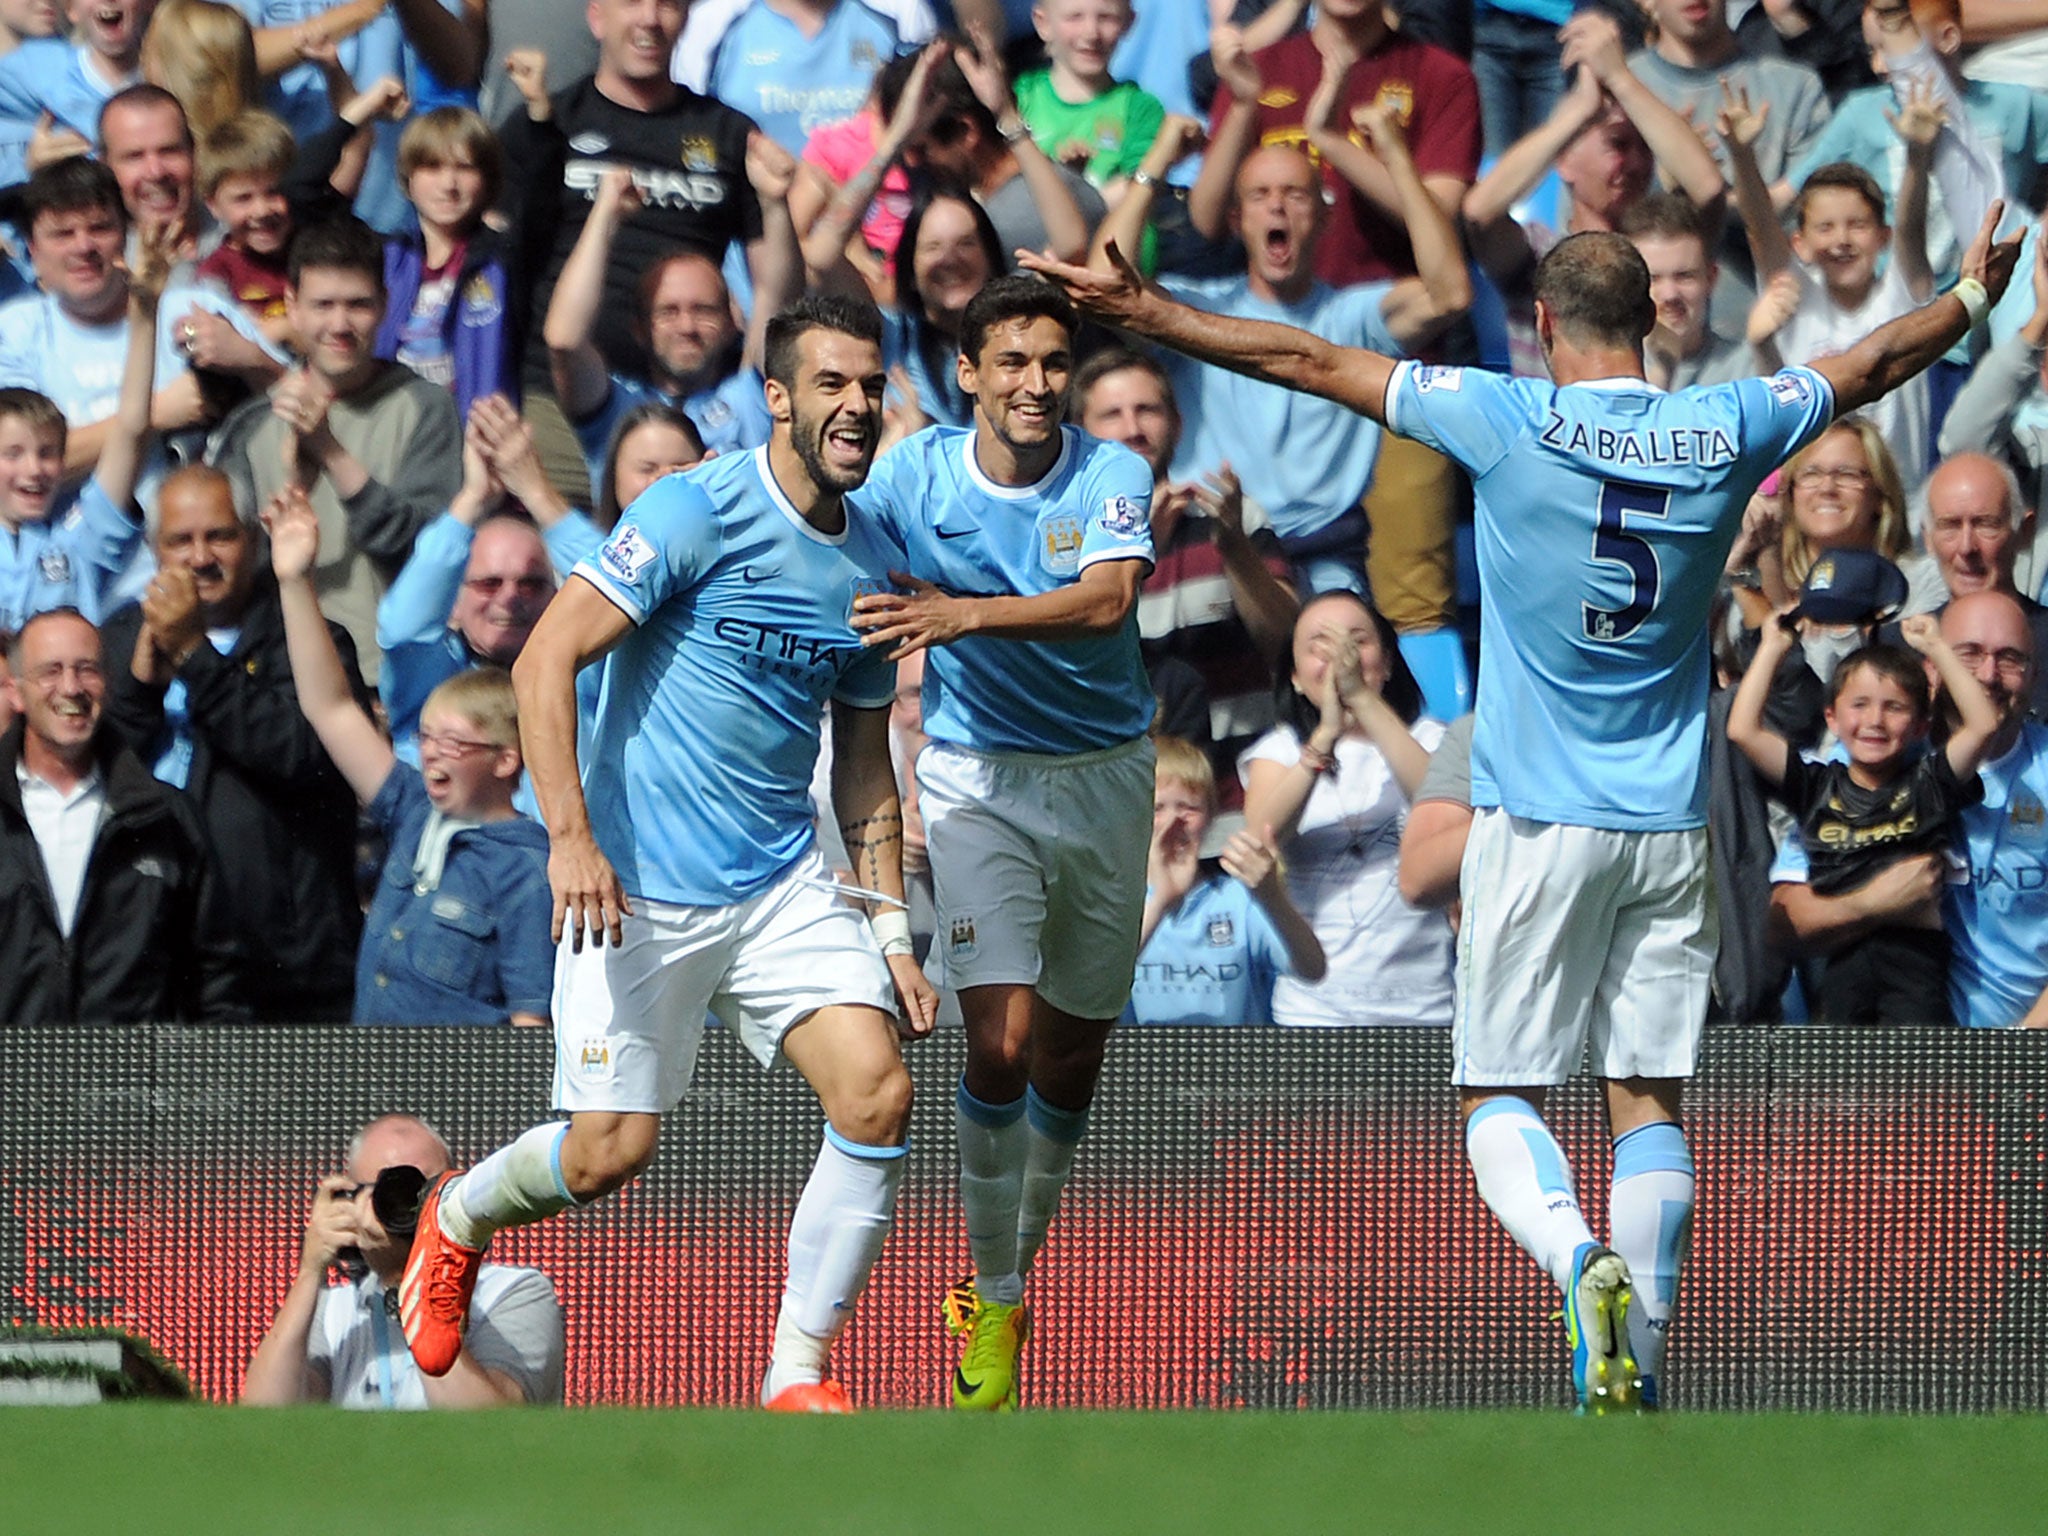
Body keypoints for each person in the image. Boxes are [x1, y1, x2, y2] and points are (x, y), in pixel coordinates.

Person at [1019, 200, 2022, 1410]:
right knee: (1645, 1099)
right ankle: (1634, 1376)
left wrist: (1146, 312)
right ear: (1651, 321)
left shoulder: (1503, 414)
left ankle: (1574, 1256)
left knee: (1498, 1091)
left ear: (1539, 327)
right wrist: (1970, 295)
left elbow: (1304, 356)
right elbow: (1868, 362)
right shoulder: (1727, 419)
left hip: (1533, 818)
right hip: (1668, 828)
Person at [395, 296, 939, 1414]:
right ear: (776, 397)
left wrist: (890, 929)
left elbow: (863, 761)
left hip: (782, 880)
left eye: (868, 386)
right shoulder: (695, 508)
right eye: (829, 385)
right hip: (633, 881)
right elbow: (545, 660)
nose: (854, 406)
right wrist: (569, 840)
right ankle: (457, 1214)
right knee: (606, 1154)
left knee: (877, 1093)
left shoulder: (878, 556)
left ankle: (795, 1376)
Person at [846, 273, 1155, 1412]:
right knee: (1000, 1041)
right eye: (1010, 362)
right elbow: (828, 527)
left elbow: (1106, 601)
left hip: (1105, 782)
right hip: (976, 779)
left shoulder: (1112, 470)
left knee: (1070, 1058)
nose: (1035, 384)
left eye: (1051, 363)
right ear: (966, 372)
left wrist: (959, 614)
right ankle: (997, 1289)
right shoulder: (912, 471)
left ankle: (1010, 1269)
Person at [1094, 111, 1468, 602]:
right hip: (1212, 545)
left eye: (1295, 195)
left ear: (1324, 216)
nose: (1278, 209)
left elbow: (1450, 295)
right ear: (1237, 220)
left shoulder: (1351, 317)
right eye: (1260, 196)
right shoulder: (1195, 310)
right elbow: (1101, 287)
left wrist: (1397, 158)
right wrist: (1158, 160)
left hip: (1324, 556)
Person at [270, 484, 555, 1027]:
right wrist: (294, 581)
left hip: (462, 1097)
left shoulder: (527, 872)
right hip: (375, 1086)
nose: (431, 756)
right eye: (425, 739)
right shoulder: (413, 810)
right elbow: (330, 708)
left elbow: (531, 1023)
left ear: (505, 760)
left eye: (453, 744)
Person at [99, 463, 366, 1021]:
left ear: (252, 540)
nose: (201, 557)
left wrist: (195, 658)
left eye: (220, 535)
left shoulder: (312, 638)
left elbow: (306, 757)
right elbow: (94, 769)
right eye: (181, 541)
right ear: (154, 550)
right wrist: (143, 686)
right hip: (152, 953)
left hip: (285, 969)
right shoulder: (117, 642)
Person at [1772, 590, 2048, 1029]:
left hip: (2028, 1045)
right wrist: (1874, 903)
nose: (1990, 674)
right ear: (1932, 668)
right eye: (1970, 655)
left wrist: (2022, 1051)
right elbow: (1785, 922)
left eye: (2010, 658)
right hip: (1900, 1040)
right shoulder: (1863, 765)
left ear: (2033, 675)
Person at [209, 215, 464, 685]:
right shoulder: (254, 426)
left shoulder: (425, 409)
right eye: (323, 305)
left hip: (386, 679)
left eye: (358, 305)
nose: (340, 324)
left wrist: (329, 450)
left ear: (386, 306)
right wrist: (293, 483)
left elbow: (426, 555)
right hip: (280, 681)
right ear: (292, 306)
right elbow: (239, 572)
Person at [1730, 611, 1997, 1023]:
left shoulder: (1930, 782)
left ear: (1921, 724)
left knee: (1915, 1082)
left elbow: (1983, 725)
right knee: (1842, 1079)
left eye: (1894, 708)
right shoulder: (1815, 785)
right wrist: (1771, 648)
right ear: (1832, 717)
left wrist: (1937, 648)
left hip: (1915, 962)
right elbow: (1743, 731)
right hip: (1843, 957)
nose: (1875, 720)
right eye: (1860, 705)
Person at [0, 605, 242, 1024]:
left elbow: (217, 979)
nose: (71, 687)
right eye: (51, 671)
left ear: (107, 685)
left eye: (87, 669)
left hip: (130, 1082)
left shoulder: (165, 818)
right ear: (17, 691)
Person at [1075, 346, 1297, 793]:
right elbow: (1073, 665)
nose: (1133, 429)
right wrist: (1139, 551)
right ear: (1080, 434)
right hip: (1125, 808)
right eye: (1112, 415)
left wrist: (1235, 551)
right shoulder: (1066, 539)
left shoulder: (1235, 517)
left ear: (1177, 423)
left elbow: (1288, 644)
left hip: (1241, 805)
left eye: (1147, 410)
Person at [241, 1113, 564, 1408]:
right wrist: (311, 1270)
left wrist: (409, 1276)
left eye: (423, 1190)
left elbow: (489, 1426)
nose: (409, 1207)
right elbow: (265, 1416)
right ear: (350, 1201)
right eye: (387, 1192)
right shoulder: (337, 1312)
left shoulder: (512, 1293)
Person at [1240, 589, 1451, 1028]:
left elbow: (1440, 805)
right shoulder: (1280, 752)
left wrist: (1363, 701)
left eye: (1358, 642)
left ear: (1388, 663)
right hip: (1314, 1009)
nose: (1341, 658)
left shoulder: (1431, 739)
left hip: (1424, 1008)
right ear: (1296, 677)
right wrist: (1324, 737)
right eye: (1321, 645)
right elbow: (1261, 839)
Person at [1727, 81, 1938, 489]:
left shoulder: (1902, 297)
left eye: (1857, 225)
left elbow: (1912, 227)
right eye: (1825, 228)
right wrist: (1742, 155)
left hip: (1898, 513)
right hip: (1811, 505)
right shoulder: (1794, 296)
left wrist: (1917, 155)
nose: (1841, 240)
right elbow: (1760, 226)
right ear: (1800, 242)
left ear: (1883, 236)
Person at [376, 394, 606, 763]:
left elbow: (622, 595)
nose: (510, 598)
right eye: (489, 584)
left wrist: (538, 493)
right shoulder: (432, 678)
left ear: (554, 596)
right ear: (452, 603)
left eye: (530, 584)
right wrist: (472, 498)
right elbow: (402, 626)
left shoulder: (587, 676)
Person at [543, 163, 777, 498]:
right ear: (639, 328)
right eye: (668, 312)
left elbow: (780, 297)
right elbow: (564, 341)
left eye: (704, 310)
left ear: (731, 324)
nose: (687, 327)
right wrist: (606, 216)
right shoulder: (617, 408)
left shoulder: (754, 397)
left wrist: (775, 206)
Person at [0, 212, 167, 631]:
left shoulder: (78, 539)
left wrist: (144, 310)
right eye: (13, 454)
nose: (34, 470)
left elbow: (131, 428)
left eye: (47, 454)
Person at [1128, 732, 1323, 1026]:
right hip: (1145, 1064)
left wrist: (1272, 895)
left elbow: (1313, 968)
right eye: (1157, 808)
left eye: (1189, 808)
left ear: (1211, 816)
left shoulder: (1237, 899)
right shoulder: (1117, 903)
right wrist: (1159, 904)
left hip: (1235, 1064)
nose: (1173, 822)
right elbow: (1091, 988)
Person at [376, 105, 521, 422]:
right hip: (390, 431)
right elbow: (310, 198)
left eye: (465, 167)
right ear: (408, 177)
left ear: (487, 180)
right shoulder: (385, 258)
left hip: (472, 438)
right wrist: (354, 117)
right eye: (432, 166)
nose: (449, 184)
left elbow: (541, 193)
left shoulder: (505, 261)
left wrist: (538, 116)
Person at [1619, 194, 1762, 394]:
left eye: (1684, 277)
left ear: (1711, 278)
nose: (1670, 295)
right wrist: (1662, 370)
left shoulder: (1747, 369)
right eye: (1653, 279)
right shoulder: (1602, 374)